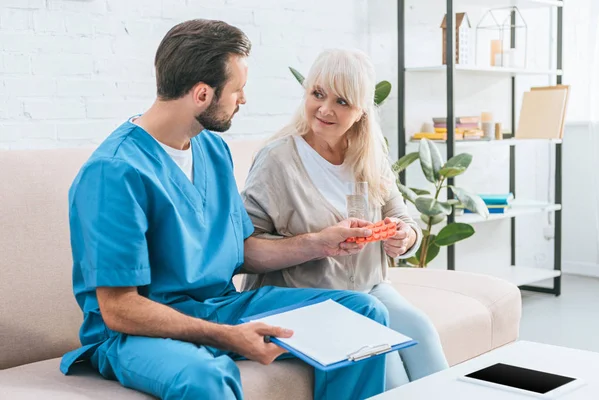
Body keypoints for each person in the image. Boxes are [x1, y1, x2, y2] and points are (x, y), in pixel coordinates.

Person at [60, 20, 391, 400]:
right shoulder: (114, 172)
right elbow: (120, 309)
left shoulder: (211, 149)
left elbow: (241, 249)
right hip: (138, 333)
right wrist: (228, 336)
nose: (244, 100)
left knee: (362, 313)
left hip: (221, 305)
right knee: (205, 376)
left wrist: (321, 243)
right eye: (238, 90)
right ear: (203, 94)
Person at [241, 48, 449, 389]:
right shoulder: (276, 160)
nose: (325, 109)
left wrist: (405, 237)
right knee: (389, 364)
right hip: (307, 296)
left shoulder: (368, 154)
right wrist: (317, 244)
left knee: (421, 329)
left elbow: (401, 216)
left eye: (342, 101)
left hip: (371, 288)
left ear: (361, 111)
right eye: (318, 94)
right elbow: (246, 252)